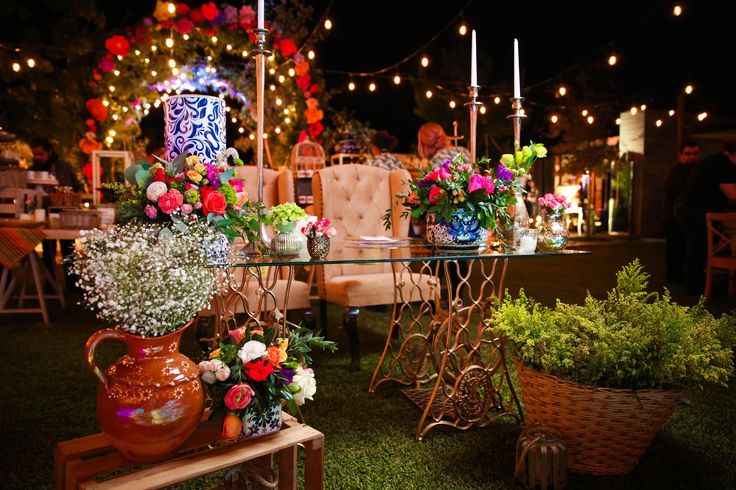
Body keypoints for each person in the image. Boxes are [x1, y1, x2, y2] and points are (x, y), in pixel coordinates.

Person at [674, 141, 736, 294]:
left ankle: (697, 285)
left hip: (688, 208)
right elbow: (732, 194)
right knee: (696, 248)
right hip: (693, 210)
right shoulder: (724, 164)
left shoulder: (717, 161)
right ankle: (695, 288)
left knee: (697, 248)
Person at [30, 138, 83, 284]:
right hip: (44, 215)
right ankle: (50, 284)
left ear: (50, 152)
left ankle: (72, 284)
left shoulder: (64, 167)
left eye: (41, 154)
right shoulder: (33, 170)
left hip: (66, 214)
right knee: (48, 252)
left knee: (68, 251)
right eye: (35, 154)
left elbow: (78, 187)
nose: (37, 158)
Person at [663, 140, 700, 283]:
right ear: (680, 155)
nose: (692, 157)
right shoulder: (676, 172)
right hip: (673, 217)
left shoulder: (695, 170)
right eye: (688, 154)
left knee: (683, 248)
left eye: (695, 153)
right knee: (675, 249)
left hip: (683, 216)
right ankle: (675, 277)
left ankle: (679, 277)